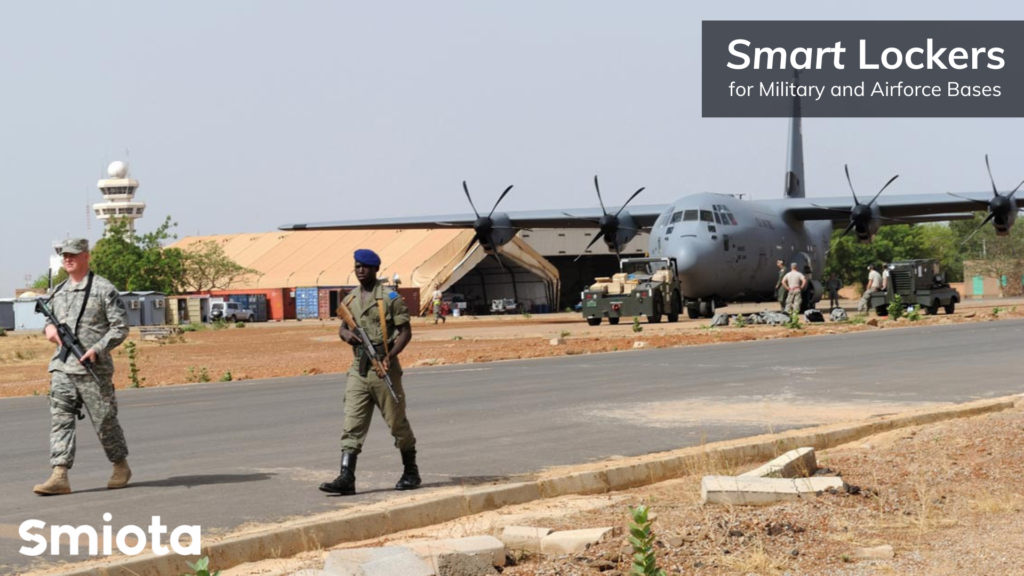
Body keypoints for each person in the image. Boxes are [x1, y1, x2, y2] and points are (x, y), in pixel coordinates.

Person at [34, 238, 131, 496]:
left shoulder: (103, 289)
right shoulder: (58, 291)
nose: (68, 259)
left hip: (93, 370)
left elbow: (120, 327)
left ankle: (120, 466)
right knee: (61, 420)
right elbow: (47, 319)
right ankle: (59, 475)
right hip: (62, 368)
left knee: (104, 421)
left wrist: (97, 349)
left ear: (86, 256)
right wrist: (49, 328)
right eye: (65, 255)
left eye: (73, 255)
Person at [320, 249, 420, 496]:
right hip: (358, 369)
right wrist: (348, 337)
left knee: (396, 421)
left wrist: (389, 356)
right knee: (352, 422)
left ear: (375, 269)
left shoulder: (389, 298)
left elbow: (405, 331)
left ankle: (411, 472)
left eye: (365, 266)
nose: (360, 270)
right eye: (357, 266)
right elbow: (342, 329)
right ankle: (346, 477)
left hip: (383, 366)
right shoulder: (350, 300)